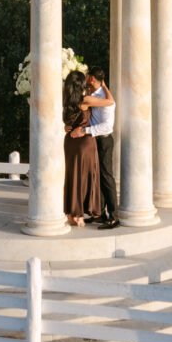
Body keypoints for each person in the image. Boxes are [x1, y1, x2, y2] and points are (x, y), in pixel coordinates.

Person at [63, 70, 114, 227]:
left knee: (72, 176)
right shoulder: (85, 100)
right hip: (84, 142)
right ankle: (80, 214)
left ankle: (72, 214)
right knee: (85, 178)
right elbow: (110, 102)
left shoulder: (66, 100)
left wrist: (67, 127)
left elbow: (68, 123)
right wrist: (104, 85)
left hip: (70, 141)